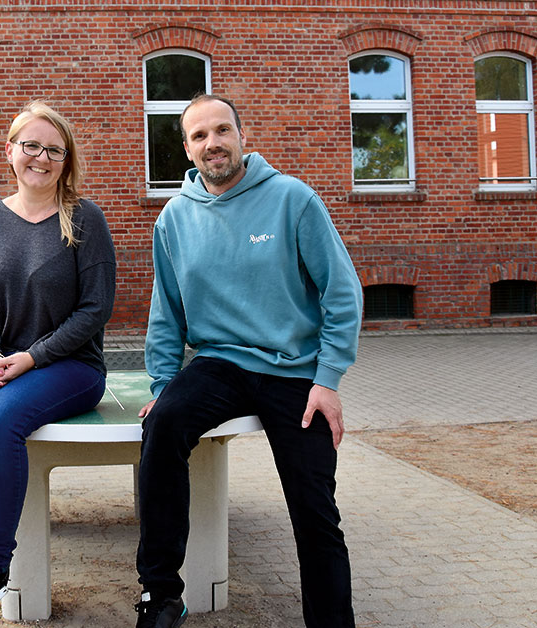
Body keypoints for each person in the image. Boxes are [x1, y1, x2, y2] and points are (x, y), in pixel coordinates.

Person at [133, 94, 362, 628]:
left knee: (314, 509)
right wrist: (164, 384)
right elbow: (166, 311)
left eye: (222, 130)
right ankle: (161, 593)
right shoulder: (174, 219)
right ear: (186, 149)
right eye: (198, 136)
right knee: (163, 428)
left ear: (241, 136)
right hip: (218, 364)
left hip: (295, 369)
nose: (212, 143)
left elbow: (342, 294)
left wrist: (327, 380)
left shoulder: (292, 200)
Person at [0, 101, 116, 628]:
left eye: (55, 149)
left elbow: (95, 310)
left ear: (66, 160)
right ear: (10, 151)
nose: (42, 157)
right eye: (31, 145)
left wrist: (30, 358)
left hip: (71, 366)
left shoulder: (84, 218)